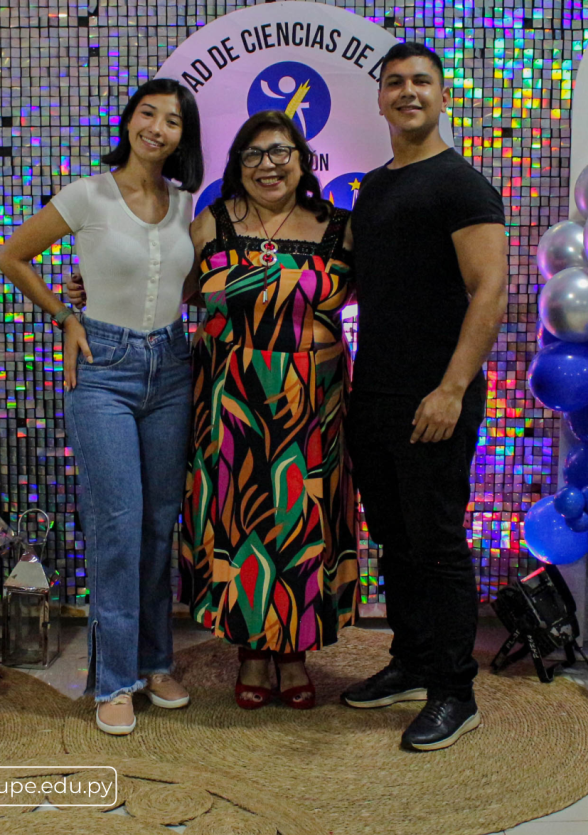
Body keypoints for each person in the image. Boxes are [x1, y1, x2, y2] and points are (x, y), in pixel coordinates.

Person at [0, 78, 204, 735]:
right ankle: (113, 680)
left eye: (172, 120)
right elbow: (11, 255)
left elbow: (185, 287)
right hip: (105, 372)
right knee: (118, 526)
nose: (158, 128)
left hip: (172, 367)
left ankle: (155, 661)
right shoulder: (88, 194)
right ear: (131, 120)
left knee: (157, 524)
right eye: (149, 113)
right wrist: (66, 315)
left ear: (181, 137)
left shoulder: (186, 206)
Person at [341, 42, 508, 751]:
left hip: (434, 399)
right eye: (396, 83)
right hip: (373, 394)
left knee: (436, 545)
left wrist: (451, 387)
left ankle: (453, 691)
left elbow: (491, 290)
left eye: (421, 82)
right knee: (395, 541)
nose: (408, 92)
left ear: (442, 97)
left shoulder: (462, 184)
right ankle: (410, 661)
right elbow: (342, 284)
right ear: (379, 100)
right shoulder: (374, 188)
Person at [181, 110, 359, 710]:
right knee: (240, 520)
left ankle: (294, 651)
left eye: (280, 151)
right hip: (232, 398)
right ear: (237, 165)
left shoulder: (339, 227)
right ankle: (251, 651)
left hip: (314, 401)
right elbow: (164, 289)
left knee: (302, 523)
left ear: (304, 160)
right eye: (253, 154)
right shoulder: (212, 223)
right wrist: (86, 293)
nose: (268, 165)